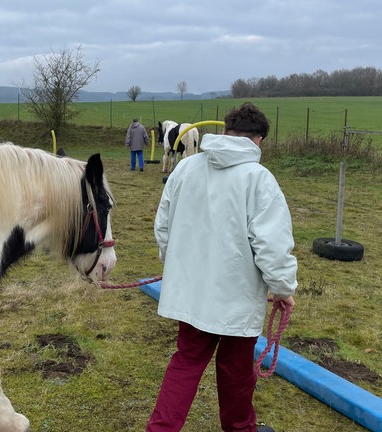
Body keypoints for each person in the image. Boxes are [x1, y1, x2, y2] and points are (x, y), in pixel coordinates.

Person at [148, 103, 298, 432]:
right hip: (237, 298)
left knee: (186, 363)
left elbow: (163, 226)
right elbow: (272, 245)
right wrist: (284, 289)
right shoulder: (260, 180)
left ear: (226, 130)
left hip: (193, 294)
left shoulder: (185, 169)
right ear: (258, 140)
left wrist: (176, 266)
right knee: (236, 372)